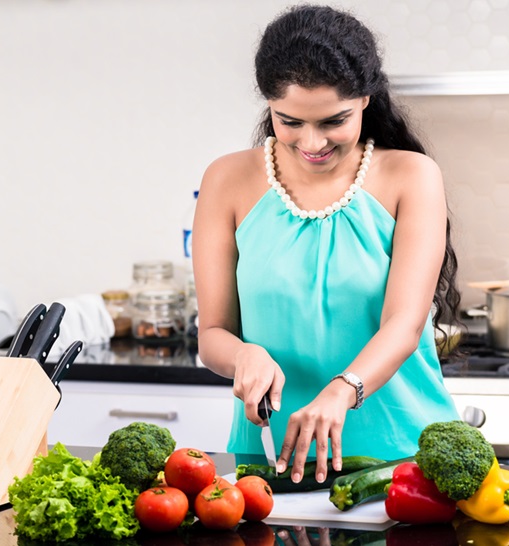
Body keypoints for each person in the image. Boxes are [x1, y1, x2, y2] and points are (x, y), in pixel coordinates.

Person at [192, 4, 461, 484]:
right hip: (272, 458)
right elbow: (212, 333)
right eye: (289, 121)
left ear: (364, 100)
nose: (311, 142)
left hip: (401, 454)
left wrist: (342, 390)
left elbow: (403, 324)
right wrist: (242, 355)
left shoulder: (411, 177)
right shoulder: (226, 179)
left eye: (332, 121)